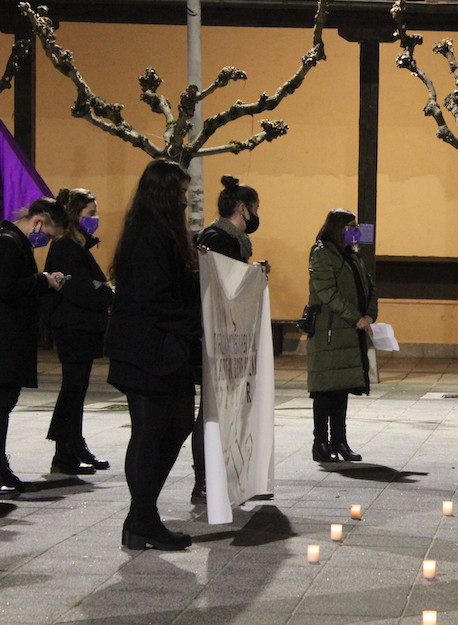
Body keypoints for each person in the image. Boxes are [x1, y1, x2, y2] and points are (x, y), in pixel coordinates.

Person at [105, 160, 201, 549]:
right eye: (180, 193)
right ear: (163, 194)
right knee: (149, 432)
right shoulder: (148, 232)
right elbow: (153, 296)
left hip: (163, 348)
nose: (184, 202)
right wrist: (195, 324)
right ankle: (143, 519)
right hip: (146, 349)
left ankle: (140, 517)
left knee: (175, 425)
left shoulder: (161, 231)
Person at [189, 175, 265, 504]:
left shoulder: (231, 240)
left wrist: (253, 273)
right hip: (213, 335)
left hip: (228, 334)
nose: (257, 215)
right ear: (243, 209)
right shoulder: (217, 238)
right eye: (256, 208)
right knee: (211, 408)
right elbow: (219, 284)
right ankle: (204, 478)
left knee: (226, 406)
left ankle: (225, 473)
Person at [44, 188, 114, 475]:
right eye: (90, 213)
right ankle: (66, 451)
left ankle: (73, 445)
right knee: (73, 388)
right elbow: (82, 288)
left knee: (76, 388)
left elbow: (90, 283)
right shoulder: (67, 246)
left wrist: (100, 287)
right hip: (73, 327)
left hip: (79, 326)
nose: (94, 219)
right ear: (75, 214)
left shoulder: (76, 244)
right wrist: (106, 292)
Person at [1, 198, 69, 492]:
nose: (46, 241)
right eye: (49, 235)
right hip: (6, 343)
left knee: (5, 406)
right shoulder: (9, 242)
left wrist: (43, 281)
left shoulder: (13, 241)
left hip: (10, 341)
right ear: (38, 222)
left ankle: (2, 469)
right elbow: (6, 288)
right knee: (2, 404)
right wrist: (42, 281)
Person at [307, 209, 377, 465]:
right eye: (351, 226)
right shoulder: (322, 254)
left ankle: (340, 441)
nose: (356, 231)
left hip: (348, 332)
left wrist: (369, 314)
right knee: (325, 390)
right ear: (337, 228)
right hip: (329, 332)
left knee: (341, 388)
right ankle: (321, 443)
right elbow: (327, 292)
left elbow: (369, 287)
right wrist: (354, 317)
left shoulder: (352, 255)